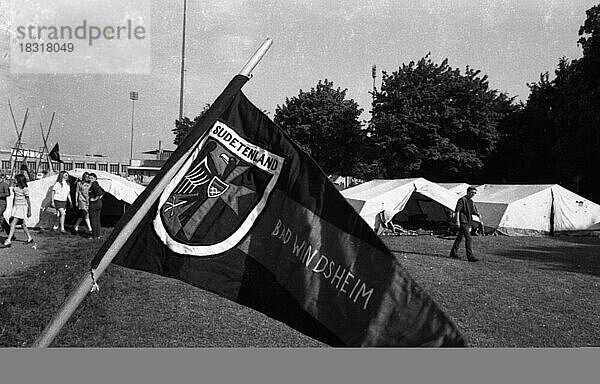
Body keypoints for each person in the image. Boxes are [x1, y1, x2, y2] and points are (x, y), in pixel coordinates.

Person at [449, 186, 481, 262]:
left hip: (468, 221)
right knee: (468, 238)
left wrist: (477, 213)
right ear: (468, 192)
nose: (473, 194)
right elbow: (457, 211)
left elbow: (472, 211)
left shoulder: (471, 201)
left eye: (475, 193)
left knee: (459, 238)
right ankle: (470, 257)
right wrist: (457, 221)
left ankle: (453, 253)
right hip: (463, 221)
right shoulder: (462, 200)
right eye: (472, 192)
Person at [1, 174, 33, 247]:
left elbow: (28, 200)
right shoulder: (15, 188)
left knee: (12, 224)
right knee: (23, 224)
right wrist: (13, 207)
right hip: (16, 207)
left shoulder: (25, 190)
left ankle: (8, 240)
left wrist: (29, 210)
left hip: (21, 207)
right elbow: (14, 198)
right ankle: (29, 238)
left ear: (19, 180)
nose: (14, 180)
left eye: (15, 179)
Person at [88, 173, 105, 239]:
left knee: (93, 220)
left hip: (94, 204)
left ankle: (94, 235)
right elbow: (103, 191)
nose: (90, 179)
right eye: (89, 178)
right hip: (99, 203)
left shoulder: (94, 184)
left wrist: (95, 198)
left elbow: (100, 193)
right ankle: (98, 235)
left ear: (95, 178)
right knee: (97, 220)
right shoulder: (97, 184)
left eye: (91, 178)